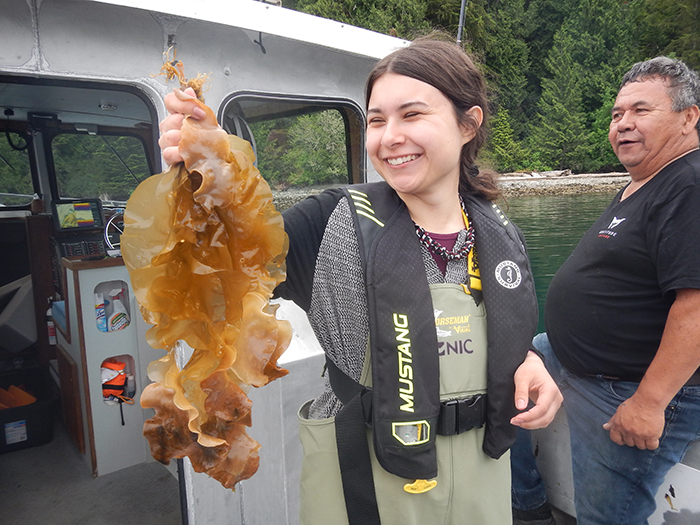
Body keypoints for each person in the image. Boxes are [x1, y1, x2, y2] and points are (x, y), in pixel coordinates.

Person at [160, 37, 562, 525]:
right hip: (365, 485)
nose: (389, 136)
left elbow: (507, 334)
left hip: (483, 476)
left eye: (412, 115)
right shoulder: (332, 223)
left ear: (467, 124)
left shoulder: (500, 233)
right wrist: (205, 185)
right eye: (376, 120)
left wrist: (530, 360)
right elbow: (219, 278)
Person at [511, 56, 700, 525]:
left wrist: (649, 404)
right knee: (498, 373)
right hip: (573, 355)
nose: (623, 125)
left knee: (605, 516)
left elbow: (696, 307)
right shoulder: (645, 182)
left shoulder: (690, 184)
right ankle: (527, 504)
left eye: (641, 111)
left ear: (688, 117)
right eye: (617, 115)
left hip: (629, 386)